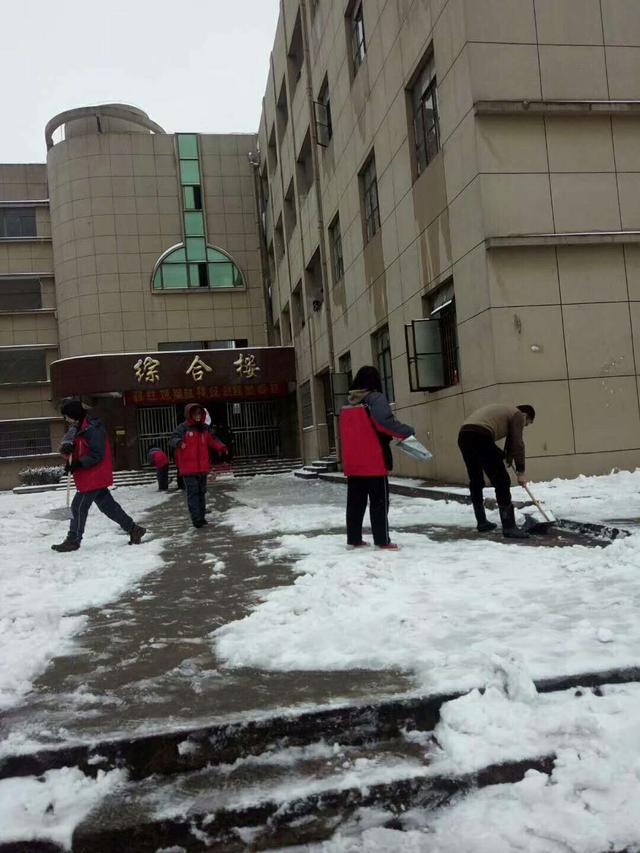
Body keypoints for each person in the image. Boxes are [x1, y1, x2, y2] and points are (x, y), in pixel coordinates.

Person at [51, 400, 147, 552]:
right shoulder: (75, 429)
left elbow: (97, 454)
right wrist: (67, 450)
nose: (66, 419)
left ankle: (73, 539)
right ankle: (134, 529)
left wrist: (78, 464)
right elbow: (72, 450)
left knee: (78, 506)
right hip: (87, 474)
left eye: (67, 416)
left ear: (74, 415)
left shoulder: (93, 429)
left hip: (93, 474)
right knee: (108, 507)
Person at [339, 366, 415, 550]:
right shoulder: (375, 398)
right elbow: (384, 423)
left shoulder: (347, 401)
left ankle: (354, 538)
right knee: (379, 502)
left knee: (355, 503)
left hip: (353, 462)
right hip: (373, 460)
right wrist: (406, 431)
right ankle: (382, 539)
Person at [457, 403, 536, 539]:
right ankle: (509, 527)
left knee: (476, 479)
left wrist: (506, 457)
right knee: (502, 481)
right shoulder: (518, 415)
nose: (524, 426)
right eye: (527, 424)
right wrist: (521, 472)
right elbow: (518, 443)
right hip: (480, 435)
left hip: (464, 435)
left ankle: (482, 522)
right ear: (526, 416)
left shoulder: (505, 411)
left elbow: (510, 442)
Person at [170, 403, 228, 528]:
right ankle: (196, 519)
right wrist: (179, 443)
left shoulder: (204, 429)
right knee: (193, 493)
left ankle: (201, 517)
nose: (197, 416)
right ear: (189, 414)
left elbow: (212, 440)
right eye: (195, 413)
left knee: (201, 492)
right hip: (188, 469)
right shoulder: (183, 428)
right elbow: (173, 438)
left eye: (199, 413)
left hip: (202, 468)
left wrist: (222, 447)